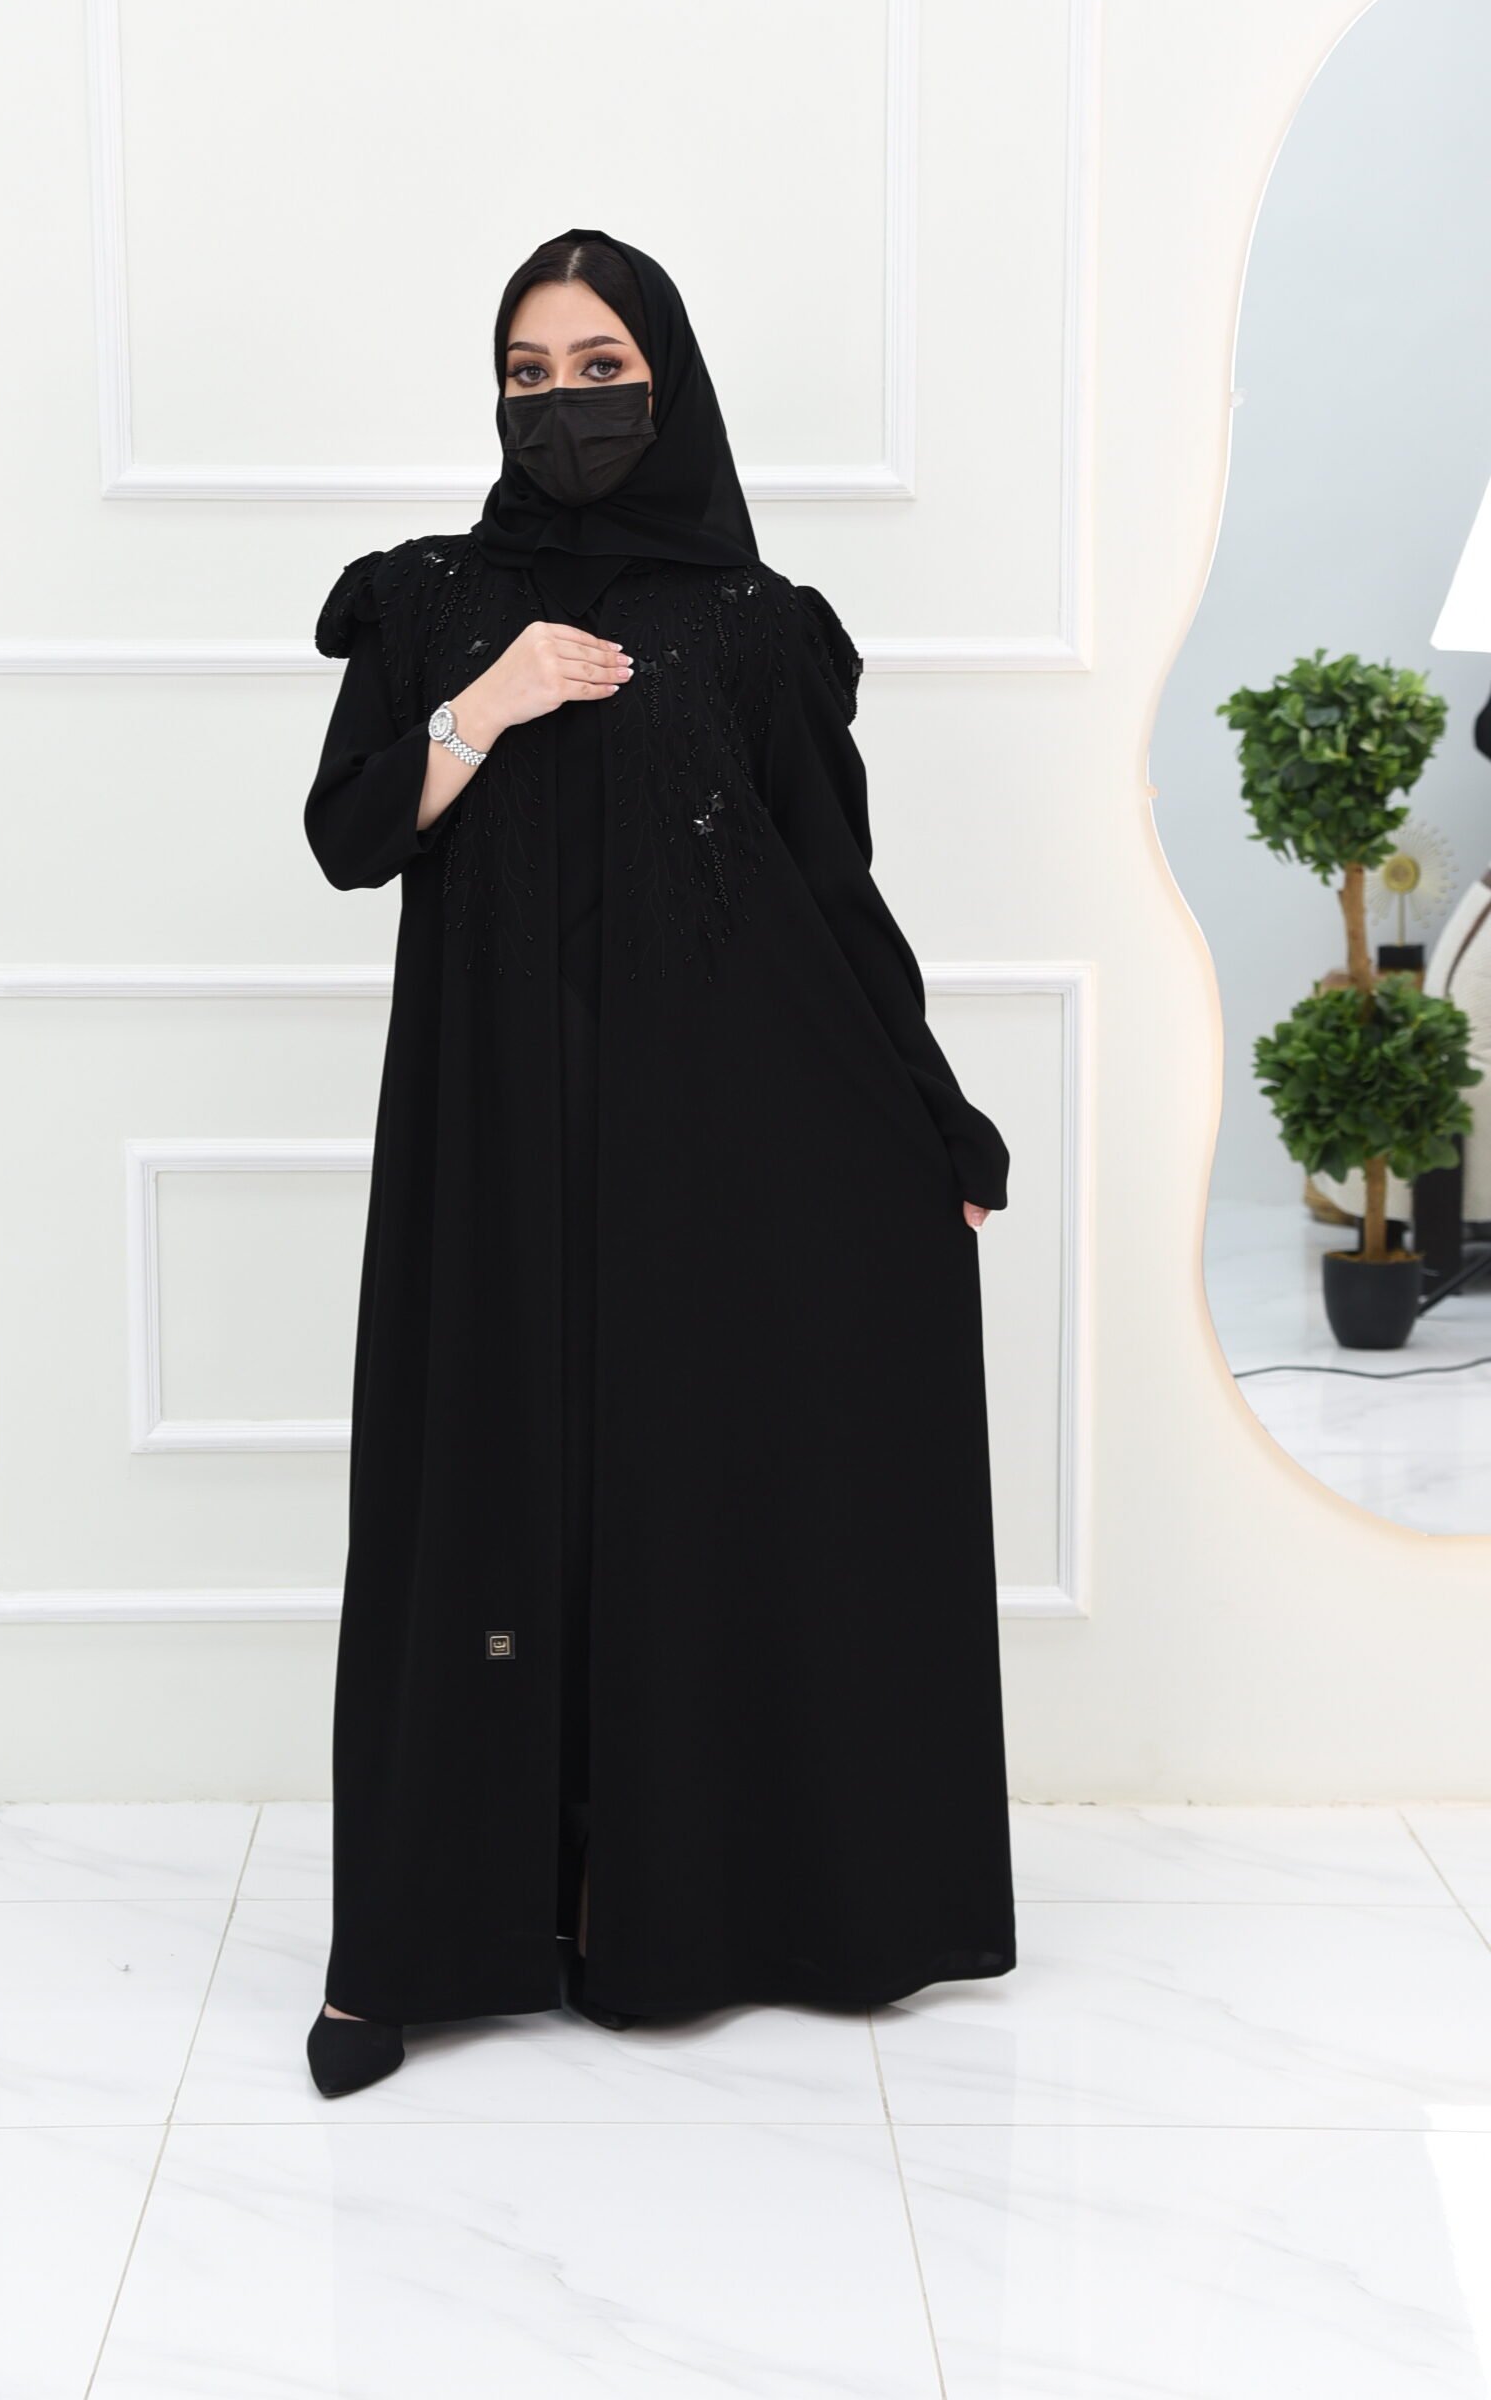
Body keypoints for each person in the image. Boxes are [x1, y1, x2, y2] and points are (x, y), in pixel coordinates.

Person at [302, 227, 1014, 2099]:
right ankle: (419, 1943)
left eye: (601, 367)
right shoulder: (429, 598)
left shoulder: (756, 625)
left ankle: (688, 1913)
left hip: (720, 1149)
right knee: (477, 1503)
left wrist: (931, 1119)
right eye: (529, 376)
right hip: (490, 1148)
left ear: (669, 381)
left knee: (691, 1499)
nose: (566, 404)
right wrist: (487, 701)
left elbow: (833, 895)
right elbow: (352, 838)